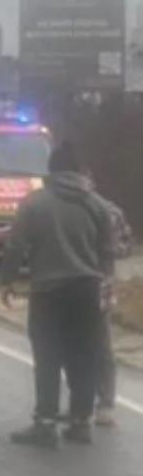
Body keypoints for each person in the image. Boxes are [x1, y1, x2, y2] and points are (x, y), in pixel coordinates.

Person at [0, 140, 114, 450]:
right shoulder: (98, 205)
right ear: (80, 170)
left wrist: (7, 280)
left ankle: (46, 423)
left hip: (48, 292)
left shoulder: (35, 203)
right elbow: (108, 251)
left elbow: (16, 245)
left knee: (48, 358)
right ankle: (80, 422)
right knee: (84, 357)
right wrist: (105, 285)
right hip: (87, 291)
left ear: (51, 169)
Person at [87, 176, 133, 429]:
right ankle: (103, 404)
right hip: (100, 285)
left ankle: (87, 403)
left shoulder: (65, 210)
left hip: (76, 285)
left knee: (84, 347)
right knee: (101, 347)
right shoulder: (110, 209)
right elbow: (125, 247)